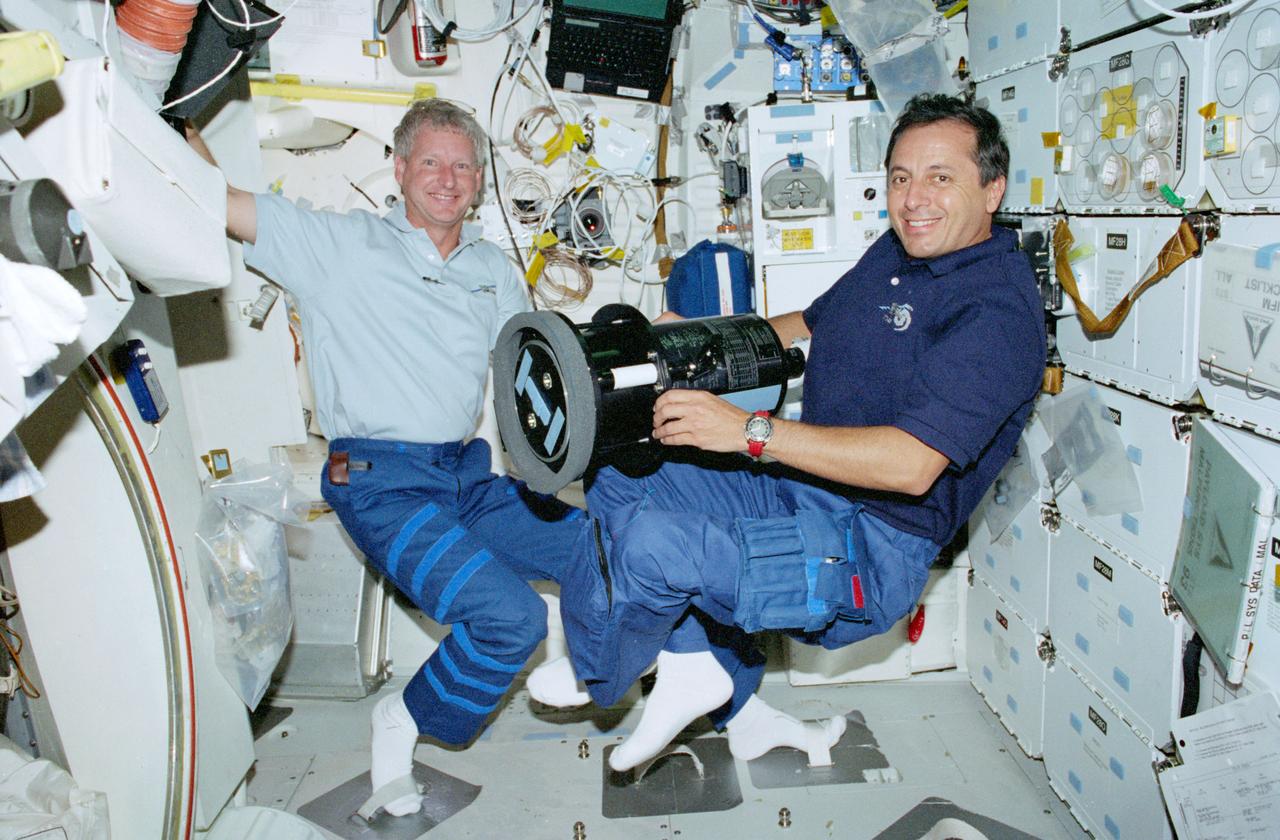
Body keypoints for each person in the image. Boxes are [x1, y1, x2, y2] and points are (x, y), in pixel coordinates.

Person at [554, 93, 1047, 772]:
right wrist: (694, 344)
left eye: (941, 177)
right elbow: (807, 325)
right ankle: (702, 675)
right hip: (802, 486)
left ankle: (606, 674)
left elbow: (910, 467)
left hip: (870, 545)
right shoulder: (898, 252)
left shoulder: (998, 314)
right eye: (900, 177)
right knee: (619, 466)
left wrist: (748, 432)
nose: (914, 199)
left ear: (992, 189)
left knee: (653, 548)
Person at [188, 100, 585, 819]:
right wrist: (178, 122)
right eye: (430, 162)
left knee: (601, 546)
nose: (448, 178)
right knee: (514, 619)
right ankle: (399, 721)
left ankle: (668, 687)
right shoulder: (340, 244)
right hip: (380, 483)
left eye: (463, 165)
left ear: (479, 179)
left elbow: (531, 376)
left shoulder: (492, 268)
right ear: (399, 170)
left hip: (465, 475)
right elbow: (224, 203)